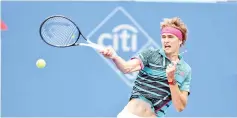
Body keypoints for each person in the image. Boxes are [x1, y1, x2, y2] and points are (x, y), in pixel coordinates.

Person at [100, 17, 192, 117]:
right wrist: (114, 57)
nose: (166, 40)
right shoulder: (150, 54)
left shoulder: (185, 70)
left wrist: (171, 80)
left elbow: (180, 107)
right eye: (163, 37)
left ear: (180, 40)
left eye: (170, 37)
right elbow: (126, 68)